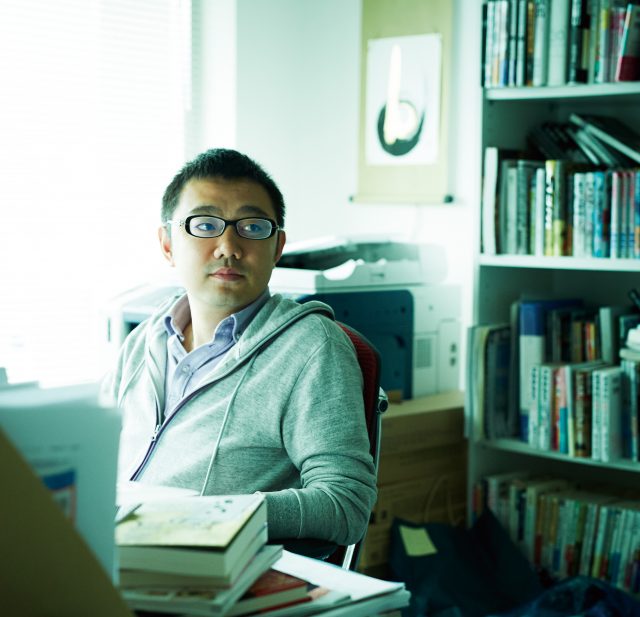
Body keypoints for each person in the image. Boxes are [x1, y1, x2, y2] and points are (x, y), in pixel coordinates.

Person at [104, 148, 377, 547]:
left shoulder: (312, 348)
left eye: (252, 227)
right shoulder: (144, 340)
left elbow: (346, 505)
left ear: (277, 247)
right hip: (107, 551)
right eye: (205, 224)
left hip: (204, 569)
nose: (228, 247)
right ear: (167, 245)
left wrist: (211, 516)